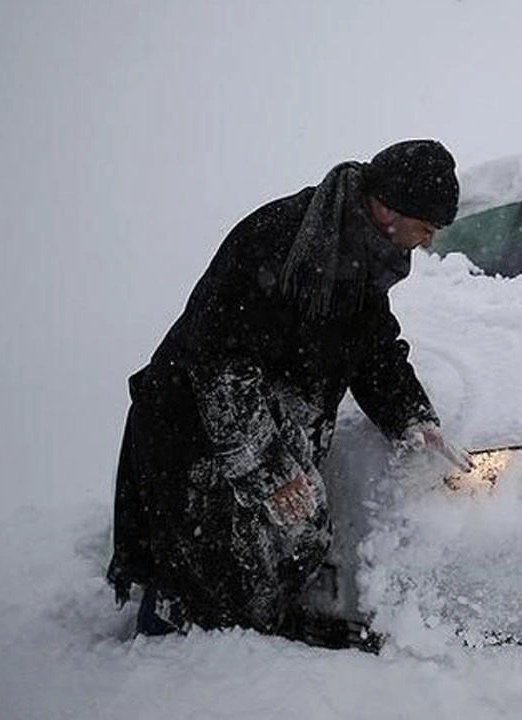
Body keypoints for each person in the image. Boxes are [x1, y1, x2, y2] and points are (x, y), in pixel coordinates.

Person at [107, 139, 472, 647]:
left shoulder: (363, 254)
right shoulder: (280, 240)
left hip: (261, 427)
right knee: (203, 577)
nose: (428, 242)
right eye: (427, 228)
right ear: (389, 209)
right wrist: (274, 473)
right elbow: (221, 372)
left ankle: (252, 648)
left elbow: (372, 348)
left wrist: (412, 416)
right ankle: (164, 669)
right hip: (197, 434)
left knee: (287, 544)